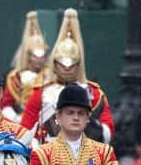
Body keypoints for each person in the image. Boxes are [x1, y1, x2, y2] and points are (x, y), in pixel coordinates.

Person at [21, 9, 114, 143]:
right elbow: (26, 127)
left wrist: (95, 129)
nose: (67, 69)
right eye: (62, 64)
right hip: (49, 153)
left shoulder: (95, 94)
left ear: (78, 65)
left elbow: (108, 128)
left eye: (71, 65)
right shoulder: (41, 93)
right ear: (55, 64)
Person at [1, 11, 51, 120]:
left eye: (42, 55)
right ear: (28, 56)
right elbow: (6, 104)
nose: (39, 60)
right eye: (35, 56)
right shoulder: (16, 77)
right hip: (22, 119)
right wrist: (16, 118)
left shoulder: (52, 75)